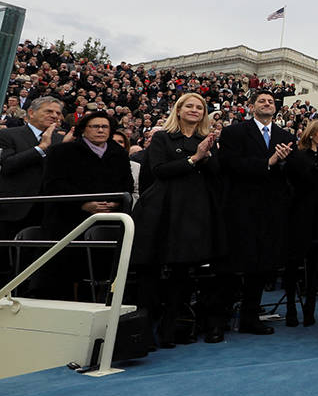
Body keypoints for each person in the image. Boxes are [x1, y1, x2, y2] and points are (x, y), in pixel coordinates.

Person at [131, 92, 225, 347]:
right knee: (151, 273)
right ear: (179, 110)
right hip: (162, 211)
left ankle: (169, 330)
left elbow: (216, 173)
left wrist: (206, 155)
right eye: (190, 106)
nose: (195, 110)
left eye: (200, 107)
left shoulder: (207, 140)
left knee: (182, 274)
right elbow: (159, 170)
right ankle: (144, 333)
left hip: (193, 213)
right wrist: (194, 158)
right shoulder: (162, 137)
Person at [215, 90, 295, 341]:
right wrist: (268, 162)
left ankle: (250, 318)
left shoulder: (285, 136)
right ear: (251, 107)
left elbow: (291, 173)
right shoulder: (234, 132)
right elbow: (231, 164)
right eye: (262, 100)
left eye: (271, 101)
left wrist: (284, 162)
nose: (267, 103)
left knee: (260, 268)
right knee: (229, 269)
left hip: (270, 212)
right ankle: (218, 320)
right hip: (239, 209)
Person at [40, 111, 135, 301]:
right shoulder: (62, 152)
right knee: (65, 275)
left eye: (105, 127)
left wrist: (114, 202)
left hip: (109, 220)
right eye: (95, 126)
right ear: (83, 130)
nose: (100, 130)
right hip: (68, 221)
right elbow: (53, 185)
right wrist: (84, 204)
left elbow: (127, 185)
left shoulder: (119, 154)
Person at [285, 118, 318, 329]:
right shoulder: (298, 156)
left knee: (316, 264)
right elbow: (303, 180)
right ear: (311, 133)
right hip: (300, 214)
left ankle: (310, 309)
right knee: (294, 261)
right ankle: (290, 307)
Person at [0, 96, 69, 239]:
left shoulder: (61, 140)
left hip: (47, 211)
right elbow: (7, 165)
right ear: (31, 112)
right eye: (49, 111)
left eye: (57, 113)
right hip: (14, 209)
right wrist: (41, 148)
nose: (54, 116)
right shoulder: (8, 134)